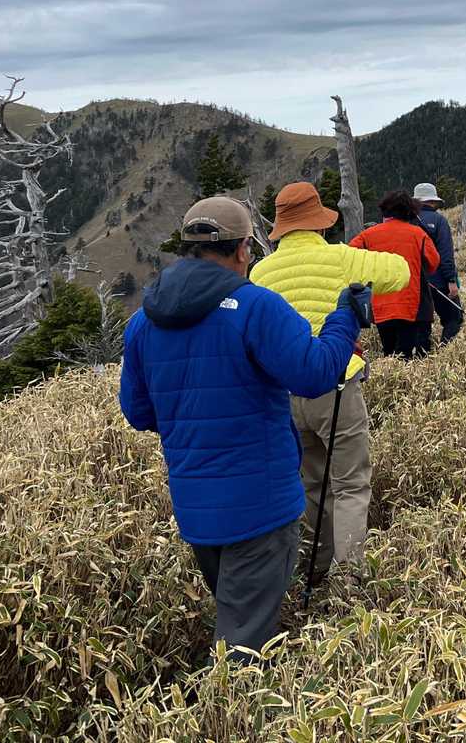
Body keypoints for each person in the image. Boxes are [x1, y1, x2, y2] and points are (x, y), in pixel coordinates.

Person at [118, 196, 371, 662]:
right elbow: (315, 374)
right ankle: (227, 701)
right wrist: (345, 319)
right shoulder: (256, 307)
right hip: (262, 507)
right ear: (241, 250)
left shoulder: (142, 322)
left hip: (196, 510)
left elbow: (138, 413)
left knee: (237, 612)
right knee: (241, 648)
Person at [249, 181, 410, 585]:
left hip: (285, 394)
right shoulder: (341, 258)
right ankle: (348, 578)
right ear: (319, 223)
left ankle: (314, 567)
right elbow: (401, 272)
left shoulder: (260, 272)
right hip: (337, 385)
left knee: (311, 482)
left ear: (281, 228)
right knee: (351, 483)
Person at [349, 191, 440, 357]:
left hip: (381, 304)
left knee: (389, 353)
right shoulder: (418, 234)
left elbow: (350, 256)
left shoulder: (368, 235)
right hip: (412, 304)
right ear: (410, 211)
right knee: (410, 355)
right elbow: (433, 263)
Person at [412, 181, 462, 345]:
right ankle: (446, 349)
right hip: (438, 281)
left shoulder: (407, 221)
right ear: (433, 202)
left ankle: (422, 354)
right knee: (453, 317)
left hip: (413, 282)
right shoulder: (439, 221)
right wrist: (451, 280)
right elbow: (446, 254)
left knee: (422, 322)